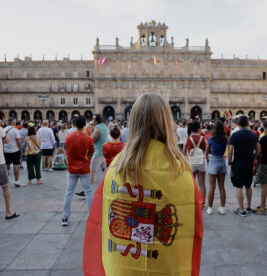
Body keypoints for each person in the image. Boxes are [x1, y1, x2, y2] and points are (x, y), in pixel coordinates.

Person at [83, 93, 203, 275]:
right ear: (167, 122)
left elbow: (101, 217)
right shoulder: (181, 167)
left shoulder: (117, 166)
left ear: (134, 121)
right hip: (168, 265)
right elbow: (193, 212)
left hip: (124, 267)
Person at [62, 115, 94, 226]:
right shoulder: (88, 138)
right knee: (88, 193)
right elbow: (91, 153)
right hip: (84, 169)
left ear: (74, 124)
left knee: (69, 193)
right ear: (85, 125)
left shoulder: (68, 137)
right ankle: (91, 217)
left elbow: (68, 151)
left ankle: (65, 218)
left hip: (71, 169)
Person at [228, 115, 260, 217]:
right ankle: (248, 206)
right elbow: (258, 150)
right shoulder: (253, 135)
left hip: (238, 163)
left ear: (238, 124)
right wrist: (253, 158)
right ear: (247, 123)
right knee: (248, 185)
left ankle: (241, 210)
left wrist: (229, 162)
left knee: (239, 186)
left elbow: (230, 151)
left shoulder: (235, 135)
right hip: (249, 163)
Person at [205, 120, 229, 215]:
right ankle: (222, 208)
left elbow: (207, 150)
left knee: (212, 187)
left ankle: (210, 208)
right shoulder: (226, 138)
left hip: (213, 160)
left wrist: (209, 153)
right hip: (222, 160)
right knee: (221, 187)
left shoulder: (211, 138)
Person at [184, 121, 207, 209]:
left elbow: (184, 151)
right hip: (202, 162)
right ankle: (203, 203)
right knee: (202, 184)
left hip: (191, 162)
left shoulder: (188, 138)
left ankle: (191, 201)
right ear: (198, 128)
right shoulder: (204, 138)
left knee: (191, 183)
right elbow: (207, 150)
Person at [3, 117, 25, 188]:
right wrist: (20, 149)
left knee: (7, 165)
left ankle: (6, 181)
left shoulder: (4, 129)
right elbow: (18, 142)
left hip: (6, 150)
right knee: (16, 165)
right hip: (15, 150)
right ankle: (16, 181)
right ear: (14, 123)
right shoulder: (16, 130)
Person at [90, 114, 108, 185]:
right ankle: (108, 185)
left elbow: (92, 140)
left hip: (98, 153)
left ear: (96, 121)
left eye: (93, 119)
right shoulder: (105, 126)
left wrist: (92, 130)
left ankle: (87, 191)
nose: (92, 120)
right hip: (104, 153)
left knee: (91, 172)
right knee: (105, 170)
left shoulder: (97, 128)